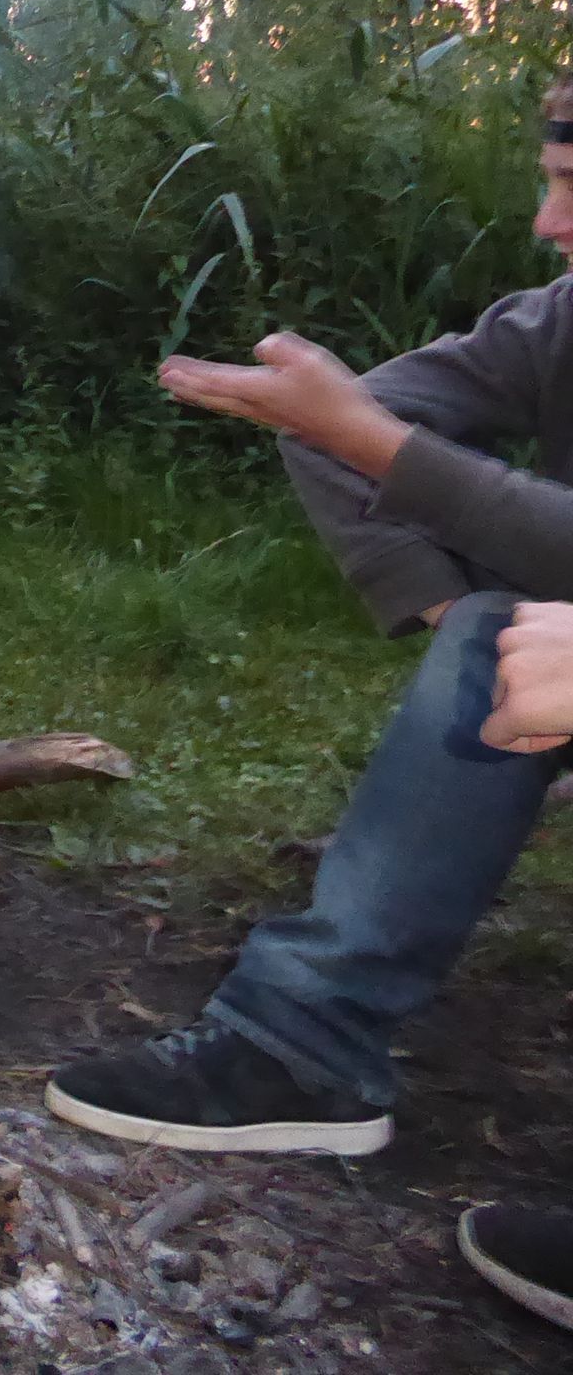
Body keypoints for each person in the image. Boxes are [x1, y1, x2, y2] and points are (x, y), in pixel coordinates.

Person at [43, 74, 573, 1331]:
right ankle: (303, 1049)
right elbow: (341, 423)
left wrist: (382, 452)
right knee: (503, 637)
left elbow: (373, 439)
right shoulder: (559, 323)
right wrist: (456, 616)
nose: (550, 227)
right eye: (556, 184)